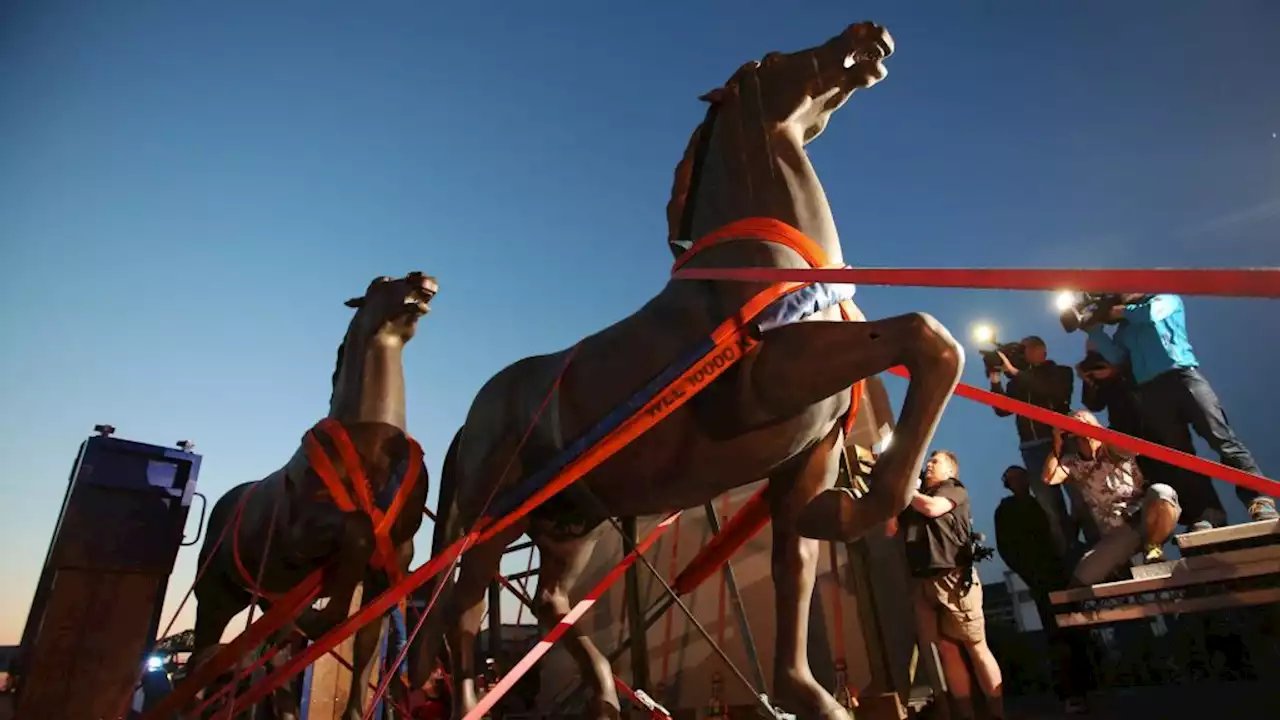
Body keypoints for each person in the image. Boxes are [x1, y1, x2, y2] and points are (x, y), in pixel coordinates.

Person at [1084, 293, 1277, 527]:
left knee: (1221, 438)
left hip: (1183, 376)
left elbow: (1152, 315)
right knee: (1178, 454)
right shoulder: (1124, 331)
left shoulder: (1164, 299)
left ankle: (1259, 500)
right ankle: (1204, 512)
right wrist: (1093, 329)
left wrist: (1115, 312)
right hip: (1151, 391)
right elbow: (1117, 356)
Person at [895, 450, 1004, 720]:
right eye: (928, 461)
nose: (928, 465)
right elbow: (890, 529)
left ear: (951, 471)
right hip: (922, 580)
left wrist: (905, 489)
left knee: (975, 645)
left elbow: (933, 509)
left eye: (936, 462)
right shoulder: (914, 498)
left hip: (953, 579)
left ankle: (996, 713)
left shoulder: (953, 489)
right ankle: (965, 714)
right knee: (946, 649)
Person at [993, 465, 1094, 715]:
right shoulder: (1007, 510)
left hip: (1063, 569)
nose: (1018, 481)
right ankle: (1070, 691)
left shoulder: (1043, 503)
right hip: (1041, 575)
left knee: (1078, 627)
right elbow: (1007, 548)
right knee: (1056, 631)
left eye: (1021, 476)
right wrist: (1030, 573)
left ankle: (1090, 684)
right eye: (1012, 478)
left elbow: (1063, 530)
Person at [1043, 410, 1182, 585]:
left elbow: (1132, 447)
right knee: (1082, 577)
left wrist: (1093, 428)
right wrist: (1057, 440)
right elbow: (1048, 478)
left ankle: (1153, 548)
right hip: (1117, 533)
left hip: (1144, 517)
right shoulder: (1073, 463)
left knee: (1162, 493)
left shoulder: (1111, 447)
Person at [988, 335, 1078, 555]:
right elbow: (1002, 409)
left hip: (1063, 443)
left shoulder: (1061, 372)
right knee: (1051, 510)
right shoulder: (1018, 383)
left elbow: (1052, 392)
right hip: (1032, 448)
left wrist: (1016, 373)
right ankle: (1070, 561)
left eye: (1023, 349)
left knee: (1081, 501)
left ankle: (1102, 558)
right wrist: (995, 378)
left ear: (1041, 351)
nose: (1020, 354)